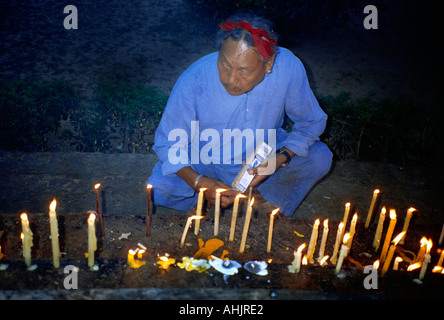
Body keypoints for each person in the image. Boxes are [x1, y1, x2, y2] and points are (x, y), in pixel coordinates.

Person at [147, 12, 332, 218]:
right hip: (207, 156)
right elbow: (168, 143)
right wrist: (198, 181)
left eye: (243, 71)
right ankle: (205, 198)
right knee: (158, 189)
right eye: (225, 65)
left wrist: (280, 158)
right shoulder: (196, 76)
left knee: (319, 157)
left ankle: (261, 197)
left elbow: (310, 122)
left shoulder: (288, 67)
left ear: (268, 63)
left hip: (262, 156)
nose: (230, 79)